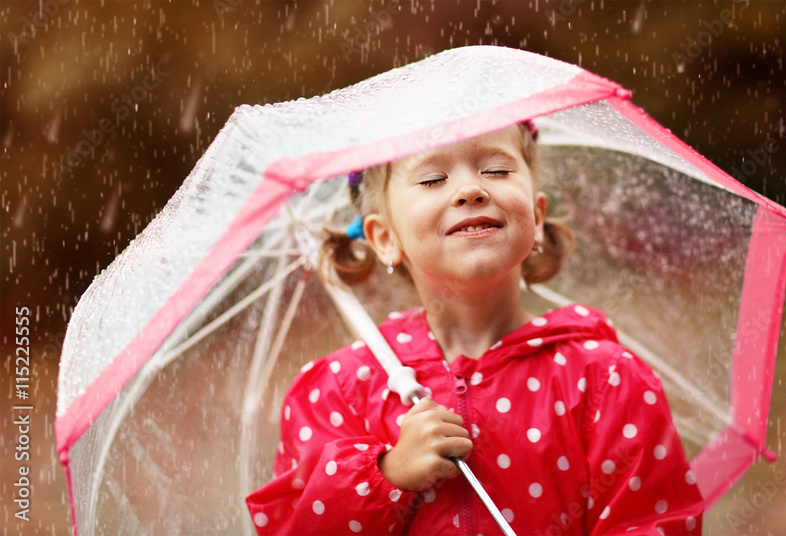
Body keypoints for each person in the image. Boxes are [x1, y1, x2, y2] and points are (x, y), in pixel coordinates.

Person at [245, 122, 704, 535]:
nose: (469, 190)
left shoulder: (605, 380)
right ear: (385, 238)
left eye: (497, 171)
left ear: (537, 217)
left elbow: (652, 523)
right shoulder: (342, 391)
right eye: (432, 179)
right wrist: (387, 473)